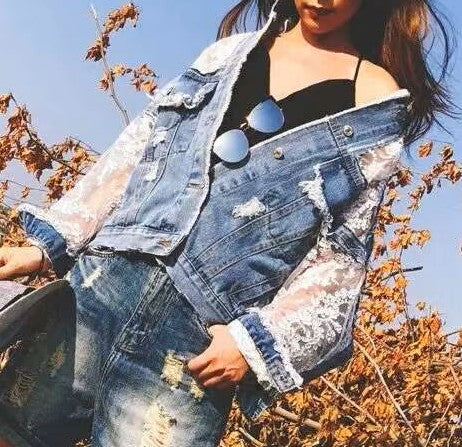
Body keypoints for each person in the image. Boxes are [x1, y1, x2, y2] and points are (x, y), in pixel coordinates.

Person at [0, 0, 455, 446]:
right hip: (100, 287)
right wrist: (48, 244)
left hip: (193, 344)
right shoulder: (227, 54)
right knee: (13, 431)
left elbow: (341, 255)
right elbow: (138, 149)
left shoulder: (373, 98)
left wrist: (255, 345)